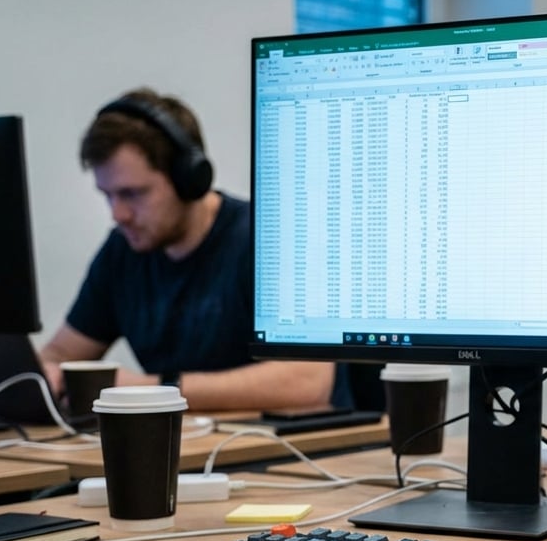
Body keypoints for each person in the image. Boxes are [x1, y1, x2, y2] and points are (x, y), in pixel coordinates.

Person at [38, 87, 332, 412]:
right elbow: (61, 354)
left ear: (188, 179)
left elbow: (307, 380)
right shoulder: (122, 251)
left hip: (288, 451)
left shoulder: (267, 241)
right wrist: (47, 374)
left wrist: (154, 390)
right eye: (107, 195)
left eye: (132, 194)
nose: (117, 214)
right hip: (184, 448)